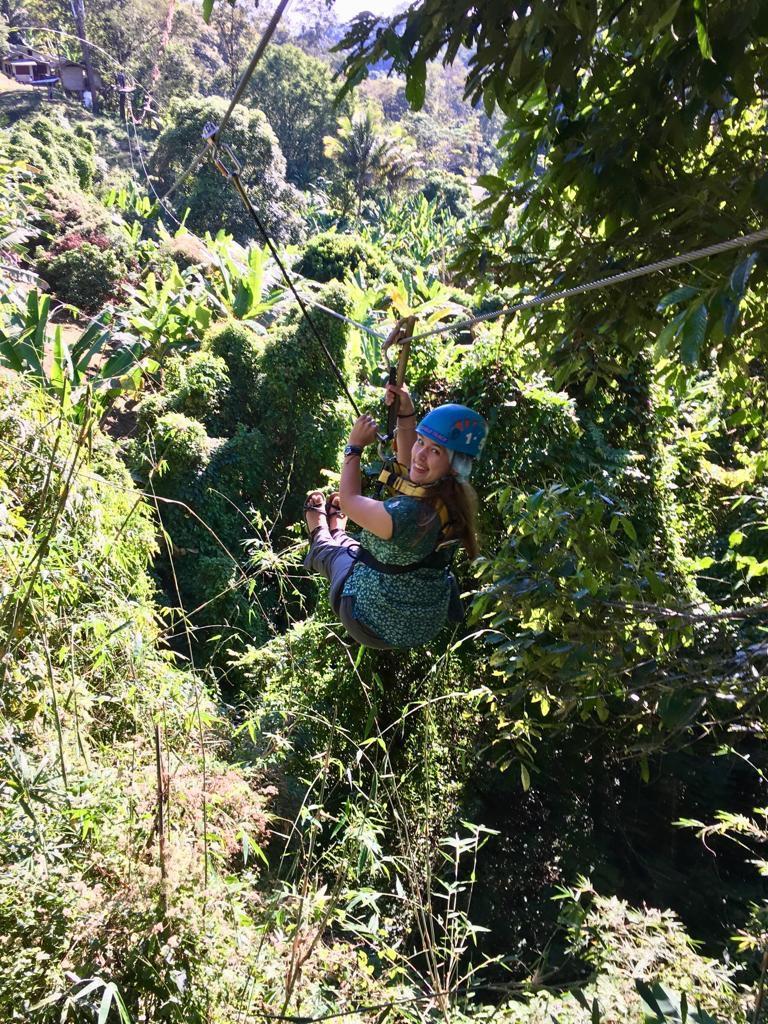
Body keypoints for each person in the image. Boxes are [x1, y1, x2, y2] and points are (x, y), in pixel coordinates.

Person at [303, 381, 488, 649]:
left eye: (435, 450)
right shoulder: (454, 496)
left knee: (334, 554)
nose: (420, 455)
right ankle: (339, 533)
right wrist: (406, 414)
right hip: (421, 620)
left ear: (453, 465)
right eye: (421, 442)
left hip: (370, 621)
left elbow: (350, 502)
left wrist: (354, 447)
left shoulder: (410, 516)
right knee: (352, 546)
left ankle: (321, 533)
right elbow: (409, 467)